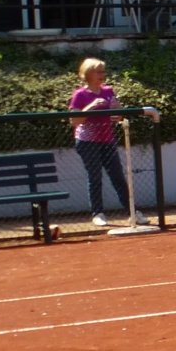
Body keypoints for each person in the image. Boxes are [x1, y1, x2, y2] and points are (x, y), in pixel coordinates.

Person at [68, 58, 134, 226]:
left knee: (118, 176)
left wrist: (117, 110)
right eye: (98, 72)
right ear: (88, 74)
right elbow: (74, 121)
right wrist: (90, 107)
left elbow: (118, 116)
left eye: (103, 71)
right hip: (87, 141)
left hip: (107, 139)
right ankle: (98, 213)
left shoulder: (108, 91)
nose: (102, 75)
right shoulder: (80, 95)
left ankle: (133, 212)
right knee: (95, 177)